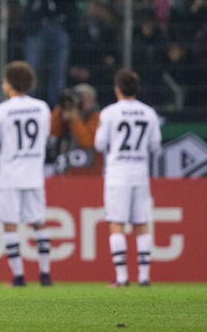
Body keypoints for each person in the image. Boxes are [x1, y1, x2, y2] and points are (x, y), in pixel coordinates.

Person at [0, 61, 53, 287]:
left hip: (10, 175)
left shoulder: (2, 111)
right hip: (34, 173)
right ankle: (45, 274)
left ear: (10, 84)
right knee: (39, 223)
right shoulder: (43, 108)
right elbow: (45, 139)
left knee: (10, 224)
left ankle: (19, 276)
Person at [94, 69, 162, 287]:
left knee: (117, 224)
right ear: (137, 89)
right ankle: (144, 276)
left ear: (117, 89)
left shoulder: (109, 113)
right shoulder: (149, 113)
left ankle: (122, 277)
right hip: (140, 172)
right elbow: (155, 146)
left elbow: (99, 144)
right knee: (142, 224)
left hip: (117, 173)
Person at [50, 84, 102, 176]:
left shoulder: (96, 117)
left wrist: (75, 120)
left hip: (90, 173)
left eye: (85, 98)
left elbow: (87, 142)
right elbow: (52, 132)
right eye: (79, 97)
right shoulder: (68, 116)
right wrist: (62, 107)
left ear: (92, 100)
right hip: (67, 171)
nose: (82, 101)